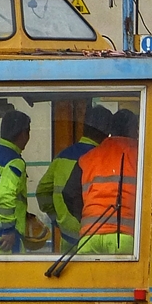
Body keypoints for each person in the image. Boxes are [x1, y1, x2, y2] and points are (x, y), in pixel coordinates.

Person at [63, 108, 138, 255]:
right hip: (123, 237)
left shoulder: (89, 157)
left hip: (89, 237)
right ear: (134, 130)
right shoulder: (140, 155)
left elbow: (69, 193)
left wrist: (87, 218)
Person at [35, 104, 112, 247]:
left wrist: (56, 218)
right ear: (105, 131)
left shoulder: (61, 157)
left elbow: (42, 192)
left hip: (67, 238)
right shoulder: (103, 159)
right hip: (96, 240)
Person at [0, 110, 33, 254]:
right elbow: (4, 197)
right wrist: (9, 229)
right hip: (2, 241)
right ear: (23, 134)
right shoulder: (14, 161)